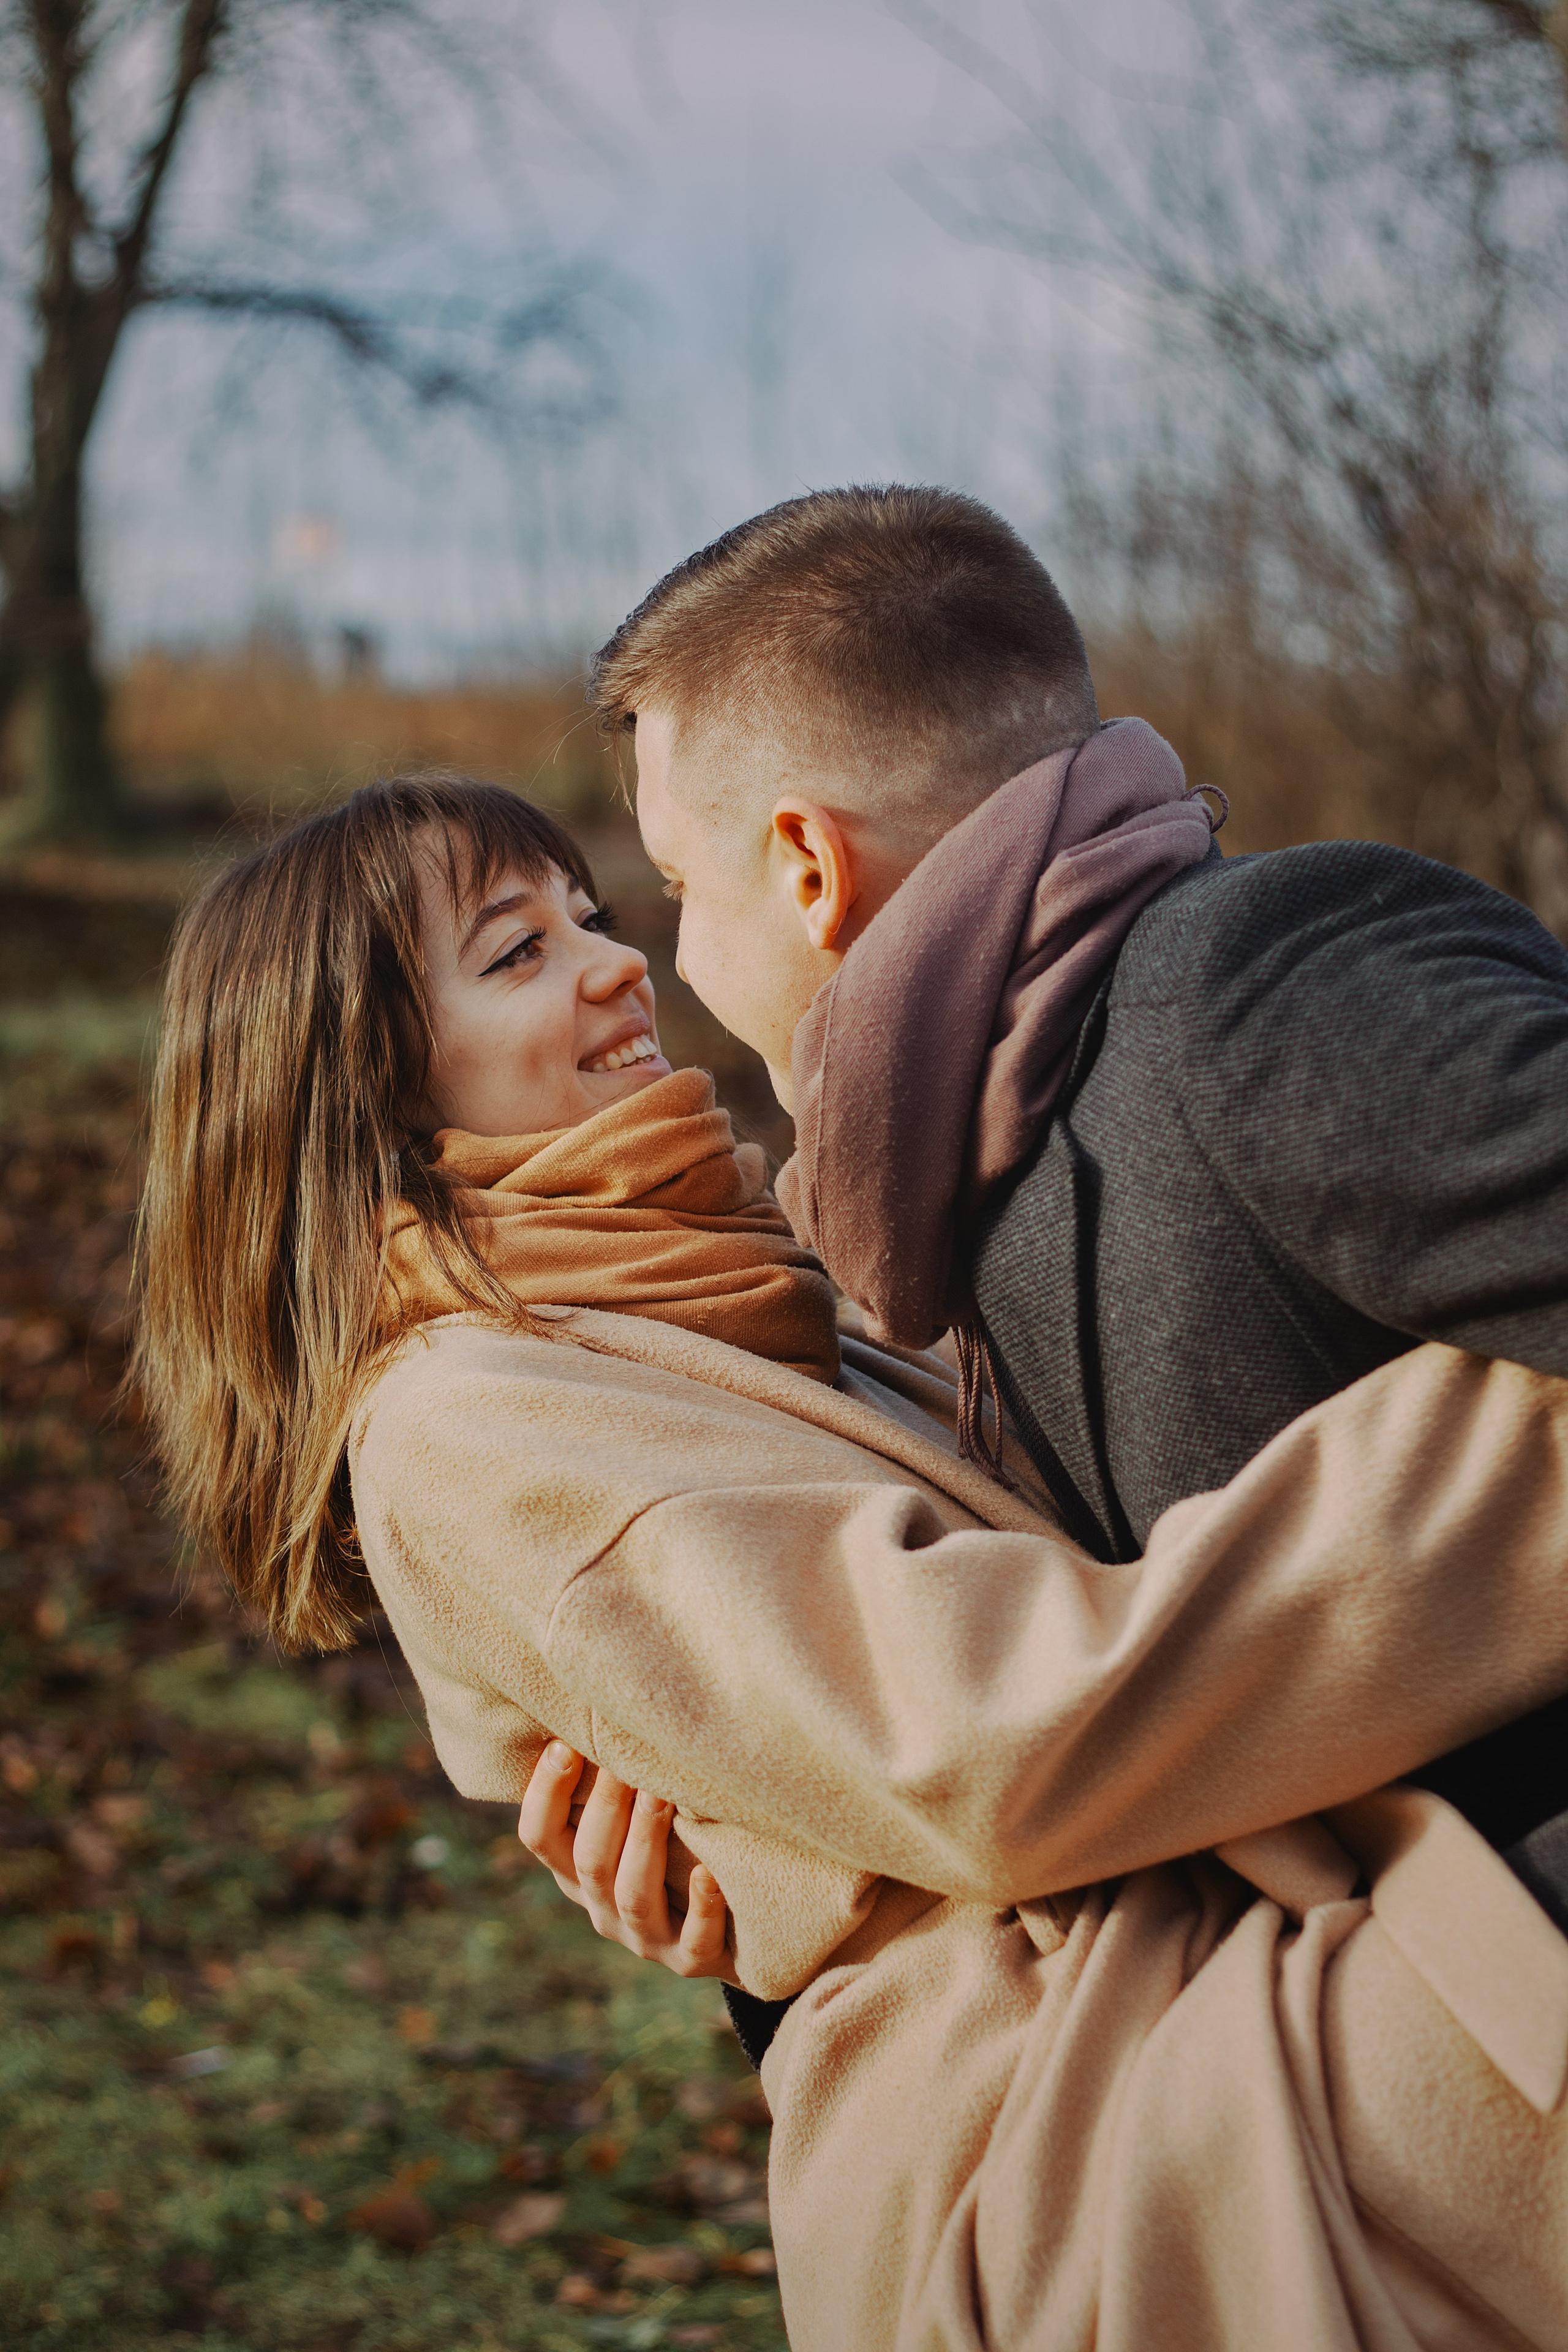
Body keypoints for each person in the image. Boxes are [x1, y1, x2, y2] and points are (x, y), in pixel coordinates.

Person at [134, 773, 1568, 2349]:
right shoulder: (464, 1421)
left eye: (591, 920)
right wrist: (1531, 1432)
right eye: (514, 954)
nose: (619, 964)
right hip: (1073, 2109)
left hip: (1180, 1946)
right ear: (378, 1096)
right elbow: (994, 1741)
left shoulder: (722, 1291)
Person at [587, 483, 1568, 1969]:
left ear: (806, 868)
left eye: (675, 887)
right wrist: (784, 1919)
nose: (673, 954)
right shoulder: (961, 1176)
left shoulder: (1244, 990)